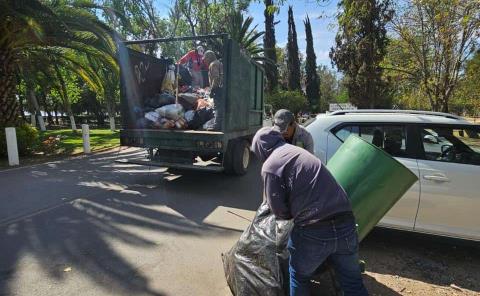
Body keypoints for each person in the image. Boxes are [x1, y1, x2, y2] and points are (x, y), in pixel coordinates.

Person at [251, 126, 368, 296]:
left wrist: (291, 214)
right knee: (352, 282)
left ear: (260, 148)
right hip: (346, 222)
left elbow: (278, 210)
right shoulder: (298, 151)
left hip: (314, 229)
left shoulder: (270, 166)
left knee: (299, 275)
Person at [203, 50, 224, 130]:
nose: (205, 61)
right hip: (221, 88)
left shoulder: (213, 64)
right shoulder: (219, 63)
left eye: (206, 59)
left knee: (217, 106)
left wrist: (212, 89)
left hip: (217, 88)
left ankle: (217, 125)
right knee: (220, 107)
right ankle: (219, 124)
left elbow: (216, 78)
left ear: (209, 57)